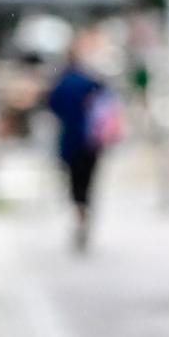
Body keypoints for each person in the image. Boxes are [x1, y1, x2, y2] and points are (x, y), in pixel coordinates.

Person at [46, 46, 106, 252]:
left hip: (71, 142)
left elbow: (52, 106)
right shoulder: (90, 82)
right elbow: (106, 99)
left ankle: (80, 214)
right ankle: (85, 213)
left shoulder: (61, 84)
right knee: (88, 182)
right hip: (92, 142)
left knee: (75, 183)